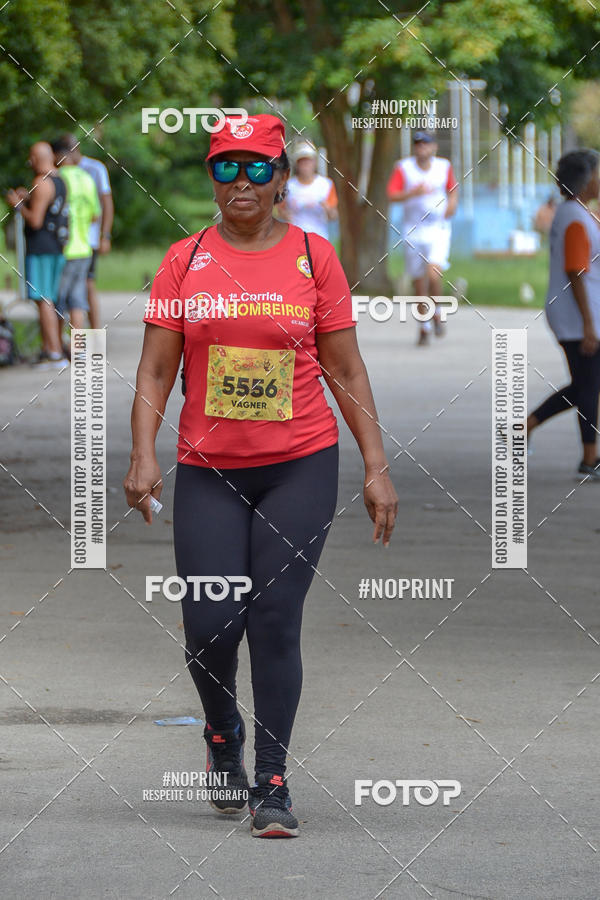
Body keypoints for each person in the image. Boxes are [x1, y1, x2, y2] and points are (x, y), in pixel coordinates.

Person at [124, 114, 397, 839]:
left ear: (280, 177)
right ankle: (222, 734)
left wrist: (375, 465)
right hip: (209, 470)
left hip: (301, 463)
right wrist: (143, 453)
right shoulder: (184, 261)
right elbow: (156, 369)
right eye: (225, 168)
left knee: (274, 619)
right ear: (210, 177)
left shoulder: (315, 256)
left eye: (256, 169)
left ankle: (272, 782)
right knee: (212, 624)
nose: (241, 183)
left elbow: (344, 368)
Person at [528, 150, 600, 481]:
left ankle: (523, 427)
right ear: (586, 179)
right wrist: (588, 324)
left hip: (580, 314)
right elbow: (575, 271)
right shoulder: (573, 217)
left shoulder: (578, 213)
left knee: (587, 385)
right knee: (587, 387)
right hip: (576, 316)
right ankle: (589, 460)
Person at [387, 131, 459, 345]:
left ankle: (436, 310)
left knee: (434, 274)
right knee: (419, 281)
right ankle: (424, 325)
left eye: (426, 144)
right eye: (418, 145)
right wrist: (412, 193)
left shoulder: (443, 167)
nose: (422, 148)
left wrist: (452, 203)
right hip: (413, 230)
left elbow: (452, 189)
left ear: (434, 147)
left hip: (438, 228)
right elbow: (392, 194)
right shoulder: (404, 168)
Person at [6, 142, 69, 369]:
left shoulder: (40, 182)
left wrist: (18, 204)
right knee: (50, 299)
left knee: (43, 300)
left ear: (34, 158)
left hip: (41, 249)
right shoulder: (60, 180)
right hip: (57, 247)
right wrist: (29, 200)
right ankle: (51, 349)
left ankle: (53, 353)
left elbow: (36, 220)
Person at [54, 134, 114, 328]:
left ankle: (92, 335)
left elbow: (107, 202)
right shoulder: (80, 176)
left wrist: (105, 235)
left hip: (81, 242)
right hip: (83, 244)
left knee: (72, 293)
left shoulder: (93, 169)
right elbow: (96, 211)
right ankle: (79, 346)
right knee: (78, 297)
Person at [279, 141, 338, 240]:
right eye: (302, 161)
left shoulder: (326, 184)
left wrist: (327, 208)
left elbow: (334, 216)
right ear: (297, 164)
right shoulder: (288, 185)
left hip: (320, 238)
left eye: (308, 161)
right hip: (295, 239)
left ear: (314, 162)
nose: (305, 165)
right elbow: (280, 210)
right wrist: (287, 217)